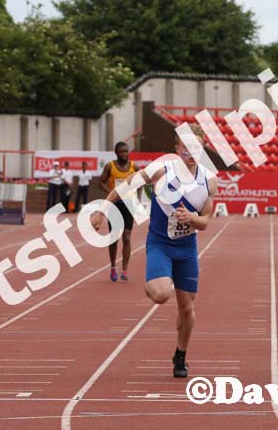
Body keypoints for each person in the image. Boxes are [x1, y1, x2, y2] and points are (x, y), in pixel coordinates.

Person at [91, 124, 217, 377]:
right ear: (177, 148)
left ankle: (180, 356)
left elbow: (205, 222)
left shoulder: (208, 181)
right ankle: (153, 282)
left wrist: (192, 218)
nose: (191, 152)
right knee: (161, 295)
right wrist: (102, 210)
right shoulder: (161, 169)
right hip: (160, 243)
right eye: (186, 147)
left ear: (202, 148)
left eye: (196, 147)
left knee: (187, 309)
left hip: (187, 248)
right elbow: (126, 184)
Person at [98, 143, 137, 281]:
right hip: (114, 205)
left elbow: (139, 182)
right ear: (116, 152)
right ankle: (113, 267)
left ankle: (125, 270)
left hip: (128, 204)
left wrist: (136, 196)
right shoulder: (110, 166)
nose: (124, 154)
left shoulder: (133, 166)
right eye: (121, 151)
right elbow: (100, 182)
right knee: (114, 238)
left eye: (126, 151)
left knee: (126, 237)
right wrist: (112, 193)